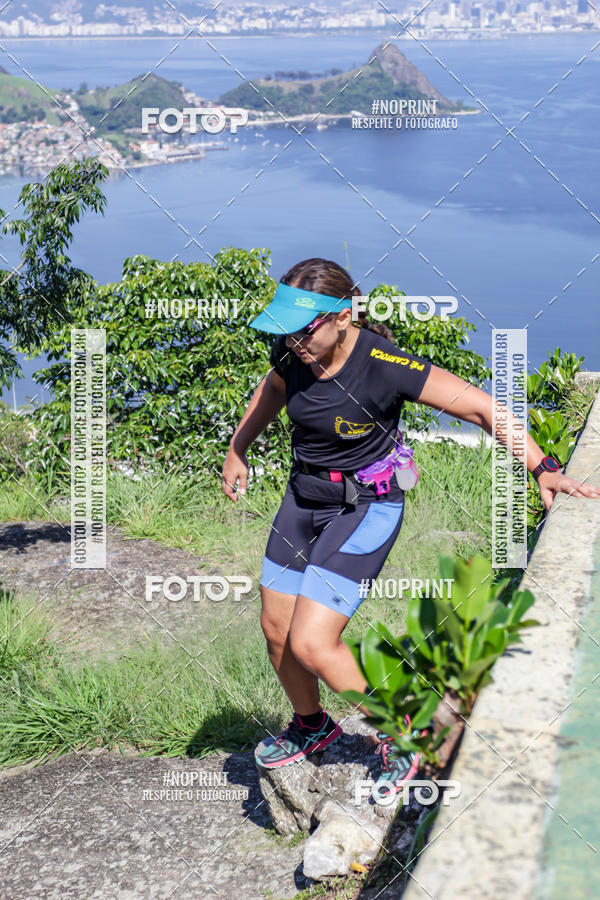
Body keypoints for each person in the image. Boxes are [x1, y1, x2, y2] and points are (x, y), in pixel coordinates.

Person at [221, 257, 599, 791]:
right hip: (303, 499)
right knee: (277, 630)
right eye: (284, 330)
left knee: (311, 643)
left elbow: (484, 409)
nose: (292, 342)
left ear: (344, 315)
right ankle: (313, 726)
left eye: (302, 329)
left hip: (366, 506)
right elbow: (273, 391)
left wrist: (544, 467)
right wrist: (239, 448)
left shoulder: (384, 364)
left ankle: (410, 731)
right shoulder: (291, 350)